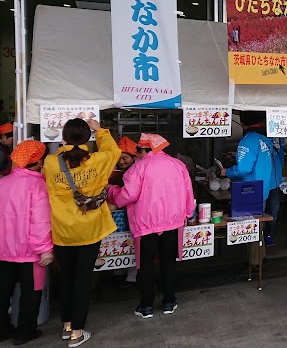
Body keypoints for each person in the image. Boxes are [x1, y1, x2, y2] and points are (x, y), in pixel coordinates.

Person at [43, 118, 120, 347]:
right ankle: (77, 331)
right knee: (83, 280)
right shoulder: (98, 160)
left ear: (63, 138)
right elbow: (113, 149)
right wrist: (100, 130)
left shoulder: (49, 163)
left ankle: (67, 325)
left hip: (63, 230)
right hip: (89, 229)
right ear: (87, 138)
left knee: (66, 278)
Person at [106, 134, 194, 319]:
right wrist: (186, 214)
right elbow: (188, 193)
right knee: (169, 263)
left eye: (139, 150)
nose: (138, 153)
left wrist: (112, 192)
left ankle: (146, 306)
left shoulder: (139, 167)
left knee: (145, 266)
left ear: (145, 149)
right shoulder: (178, 165)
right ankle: (169, 302)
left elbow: (127, 196)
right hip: (173, 222)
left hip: (146, 225)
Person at [0, 141, 53, 345]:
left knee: (3, 292)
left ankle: (2, 329)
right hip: (30, 252)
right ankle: (25, 332)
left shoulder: (3, 183)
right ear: (38, 160)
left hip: (3, 250)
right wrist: (45, 250)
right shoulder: (39, 185)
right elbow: (40, 221)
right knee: (31, 294)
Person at [221, 111, 284, 246]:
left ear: (243, 123)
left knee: (252, 224)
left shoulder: (249, 139)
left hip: (253, 188)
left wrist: (227, 172)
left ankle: (256, 257)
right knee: (266, 218)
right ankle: (263, 243)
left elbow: (244, 169)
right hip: (271, 182)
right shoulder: (272, 136)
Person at [107, 136, 139, 287]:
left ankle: (131, 277)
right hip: (122, 212)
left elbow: (129, 194)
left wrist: (112, 191)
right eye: (119, 158)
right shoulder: (118, 171)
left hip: (134, 212)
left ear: (134, 156)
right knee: (122, 241)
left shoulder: (137, 170)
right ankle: (118, 273)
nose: (121, 161)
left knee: (132, 244)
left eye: (125, 158)